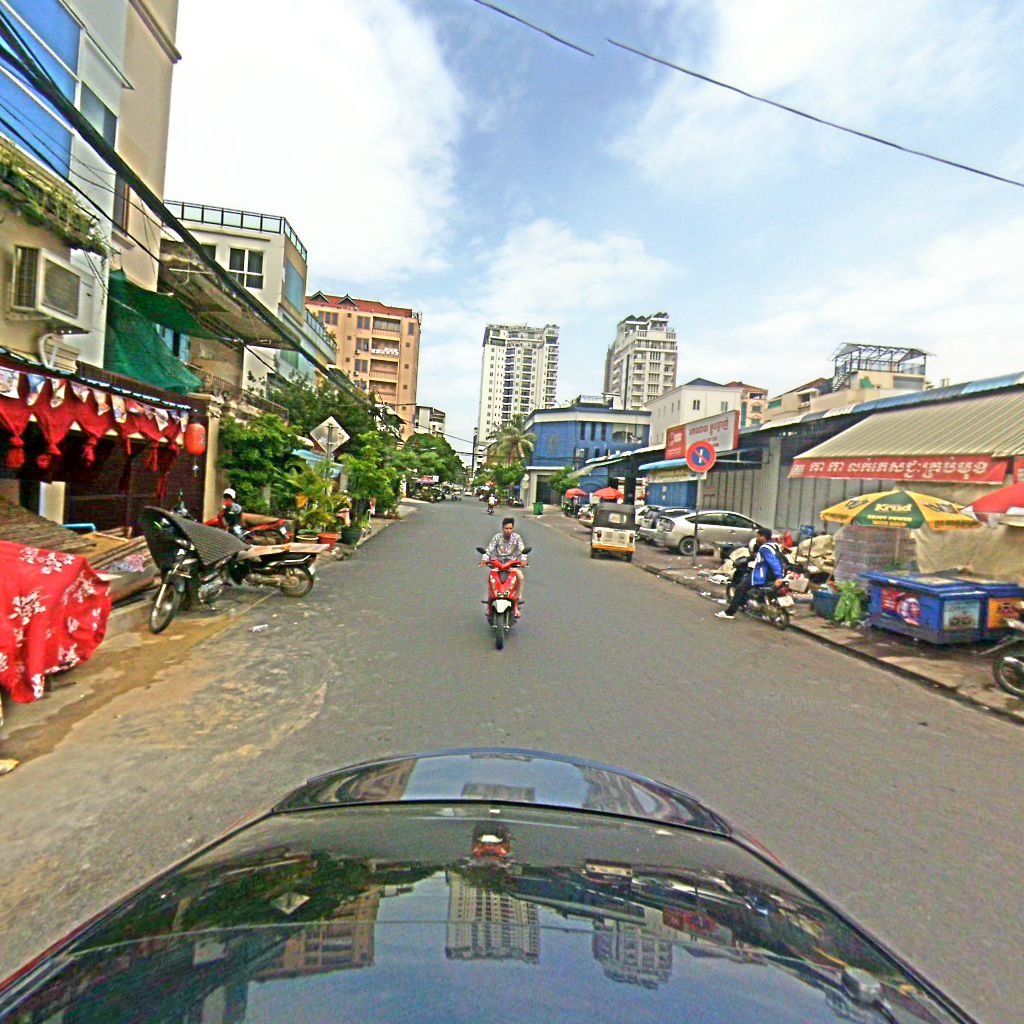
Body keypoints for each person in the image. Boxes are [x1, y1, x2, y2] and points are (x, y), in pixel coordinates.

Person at [716, 527, 784, 620]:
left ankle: (729, 612)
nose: (757, 538)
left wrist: (779, 577)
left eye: (758, 536)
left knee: (740, 588)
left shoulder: (764, 548)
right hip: (771, 575)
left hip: (761, 575)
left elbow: (774, 562)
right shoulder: (775, 546)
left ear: (763, 537)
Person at [481, 517, 528, 617]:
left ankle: (516, 601)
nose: (508, 530)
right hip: (498, 564)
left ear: (513, 528)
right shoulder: (497, 537)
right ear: (502, 528)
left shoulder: (517, 538)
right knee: (491, 578)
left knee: (520, 576)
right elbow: (489, 550)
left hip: (512, 565)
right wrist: (484, 559)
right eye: (506, 528)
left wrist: (523, 560)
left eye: (510, 528)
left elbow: (522, 551)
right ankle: (489, 604)